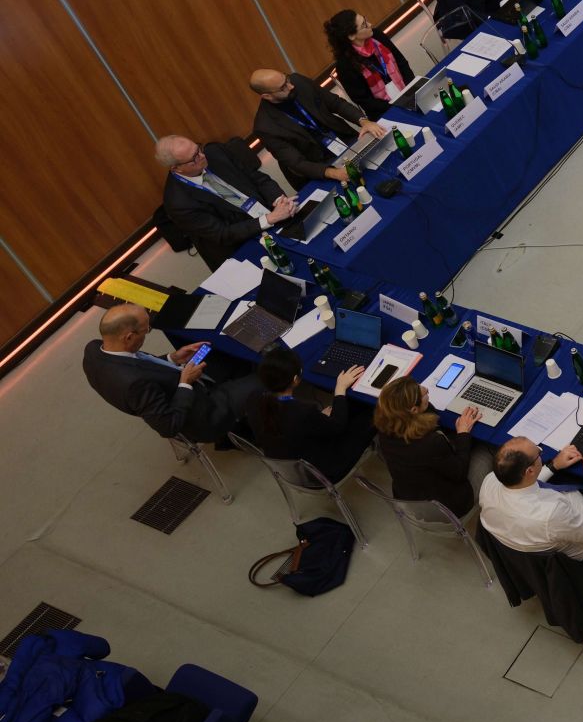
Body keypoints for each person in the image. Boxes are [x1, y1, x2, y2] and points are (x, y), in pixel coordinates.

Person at [82, 303, 235, 442]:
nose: (147, 332)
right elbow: (169, 427)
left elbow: (139, 366)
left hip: (170, 387)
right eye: (146, 330)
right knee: (255, 379)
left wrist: (172, 358)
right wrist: (185, 383)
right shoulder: (135, 384)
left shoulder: (93, 349)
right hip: (203, 415)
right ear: (129, 337)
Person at [478, 436, 583, 563]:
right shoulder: (550, 514)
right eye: (538, 453)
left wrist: (553, 465)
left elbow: (524, 484)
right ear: (529, 471)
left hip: (555, 525)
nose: (540, 452)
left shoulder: (490, 481)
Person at [156, 135, 295, 269]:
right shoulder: (177, 203)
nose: (202, 156)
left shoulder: (216, 152)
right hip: (241, 245)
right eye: (194, 158)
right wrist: (269, 219)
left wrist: (278, 199)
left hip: (272, 214)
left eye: (198, 148)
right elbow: (223, 234)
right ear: (176, 168)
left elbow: (257, 178)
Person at [239, 343, 373, 481]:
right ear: (295, 380)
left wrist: (319, 419)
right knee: (372, 414)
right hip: (324, 470)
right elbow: (337, 426)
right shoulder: (302, 412)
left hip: (292, 463)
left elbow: (290, 424)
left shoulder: (253, 399)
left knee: (348, 407)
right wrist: (340, 389)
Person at [373, 376, 488, 517]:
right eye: (420, 392)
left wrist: (423, 403)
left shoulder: (386, 429)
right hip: (449, 507)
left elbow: (432, 416)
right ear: (414, 410)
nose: (426, 389)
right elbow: (460, 472)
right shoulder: (431, 442)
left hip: (411, 500)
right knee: (488, 447)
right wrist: (463, 433)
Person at [248, 68, 381, 187]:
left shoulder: (299, 81)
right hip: (319, 165)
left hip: (343, 139)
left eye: (287, 79)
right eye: (283, 88)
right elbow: (297, 163)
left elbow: (336, 103)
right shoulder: (265, 127)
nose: (291, 86)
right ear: (267, 96)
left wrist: (364, 121)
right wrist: (333, 173)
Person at [324, 11, 414, 119]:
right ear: (351, 35)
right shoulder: (345, 66)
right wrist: (397, 106)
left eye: (365, 20)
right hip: (384, 114)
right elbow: (366, 102)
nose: (370, 24)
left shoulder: (377, 36)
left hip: (408, 95)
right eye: (364, 25)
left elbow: (402, 63)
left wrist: (411, 90)